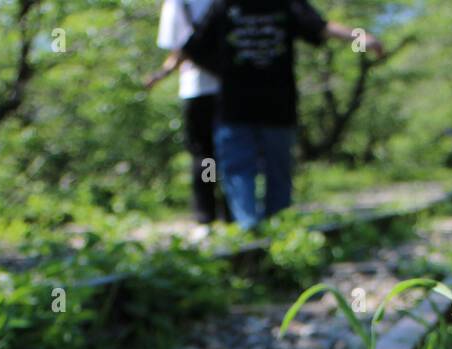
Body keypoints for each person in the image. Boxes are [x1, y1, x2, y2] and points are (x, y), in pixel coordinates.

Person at [173, 1, 383, 230]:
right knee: (234, 169)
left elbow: (319, 27)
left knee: (271, 172)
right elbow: (193, 47)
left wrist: (361, 38)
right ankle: (249, 230)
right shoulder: (224, 4)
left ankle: (271, 233)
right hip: (239, 108)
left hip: (274, 108)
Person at [145, 1, 227, 229]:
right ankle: (232, 211)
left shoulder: (179, 3)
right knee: (230, 150)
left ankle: (207, 216)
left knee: (206, 155)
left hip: (198, 88)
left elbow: (180, 49)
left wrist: (161, 74)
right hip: (232, 86)